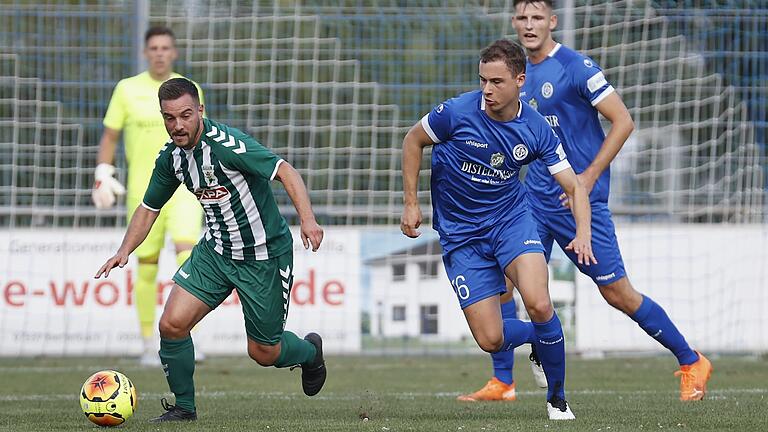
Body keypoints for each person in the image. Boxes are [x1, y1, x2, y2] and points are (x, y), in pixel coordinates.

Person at [461, 0, 713, 403]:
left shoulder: (576, 67)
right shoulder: (516, 73)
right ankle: (503, 381)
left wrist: (588, 176)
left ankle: (691, 360)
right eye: (522, 18)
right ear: (513, 22)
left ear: (552, 22)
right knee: (503, 283)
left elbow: (623, 120)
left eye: (537, 17)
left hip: (581, 203)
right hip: (532, 201)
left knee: (617, 293)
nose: (529, 25)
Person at [95, 78, 327, 422]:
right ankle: (184, 408)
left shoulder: (227, 145)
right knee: (172, 325)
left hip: (263, 255)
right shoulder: (172, 159)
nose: (178, 125)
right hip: (216, 252)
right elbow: (148, 208)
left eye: (185, 115)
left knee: (264, 352)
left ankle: (309, 352)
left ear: (200, 111)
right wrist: (124, 250)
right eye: (169, 118)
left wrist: (308, 220)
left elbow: (285, 171)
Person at [400, 39, 596, 420]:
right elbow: (413, 140)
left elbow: (573, 186)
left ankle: (558, 399)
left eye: (496, 82)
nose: (487, 90)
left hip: (510, 221)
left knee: (539, 302)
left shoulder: (536, 129)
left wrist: (583, 231)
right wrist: (411, 202)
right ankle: (541, 341)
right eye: (482, 80)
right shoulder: (455, 113)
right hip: (461, 235)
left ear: (519, 80)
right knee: (491, 338)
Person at [92, 26, 206, 366]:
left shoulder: (189, 88)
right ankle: (146, 342)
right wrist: (102, 172)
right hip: (145, 193)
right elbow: (110, 136)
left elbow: (203, 134)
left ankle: (188, 336)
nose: (159, 53)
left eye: (165, 47)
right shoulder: (127, 89)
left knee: (190, 257)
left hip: (186, 188)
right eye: (153, 47)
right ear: (145, 52)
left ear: (174, 52)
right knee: (145, 267)